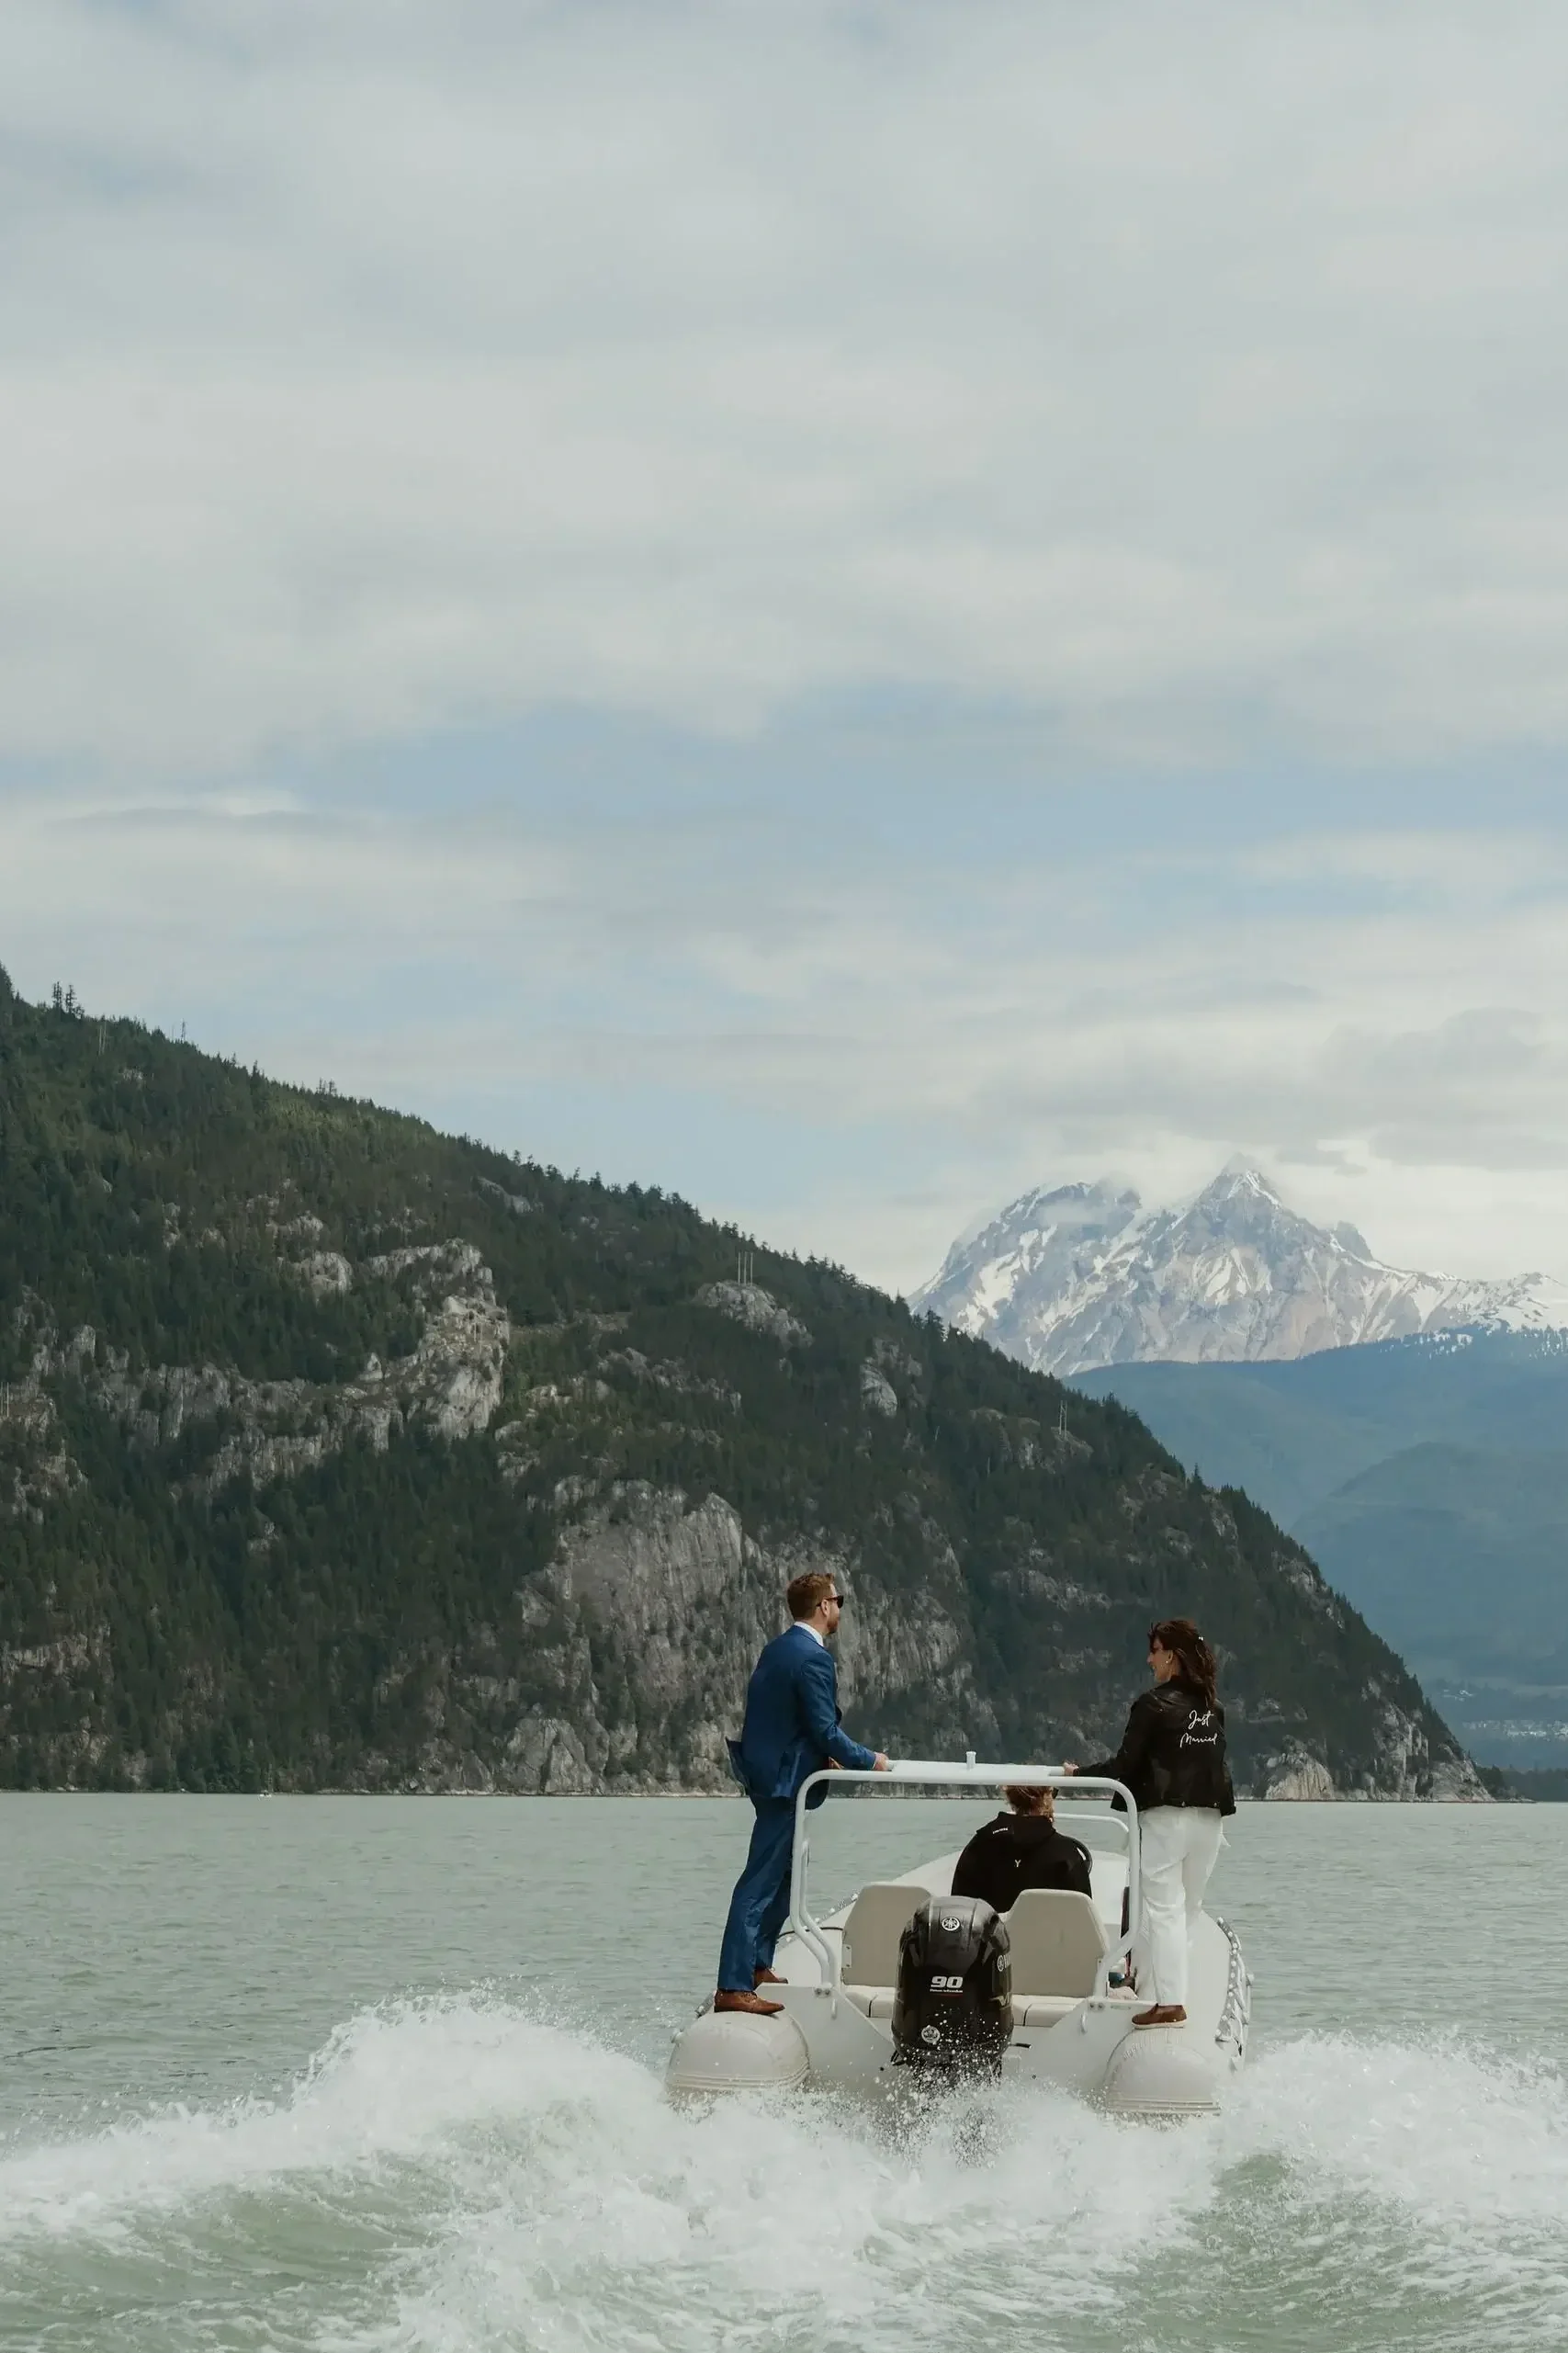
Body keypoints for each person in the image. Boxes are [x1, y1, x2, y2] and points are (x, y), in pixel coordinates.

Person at [715, 1571, 890, 2016]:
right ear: (823, 1606)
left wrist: (818, 1757)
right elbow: (823, 1729)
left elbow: (784, 1722)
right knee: (757, 1884)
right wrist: (870, 1761)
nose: (840, 1609)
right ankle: (733, 1985)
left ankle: (758, 1965)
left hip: (772, 1774)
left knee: (784, 1876)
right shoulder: (813, 1658)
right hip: (783, 1783)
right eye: (838, 1601)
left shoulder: (776, 1650)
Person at [1066, 1617, 1235, 2030]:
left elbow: (1125, 1765)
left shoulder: (1152, 1705)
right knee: (1187, 1911)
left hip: (1166, 1820)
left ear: (1171, 1657)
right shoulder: (1213, 1709)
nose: (1149, 1660)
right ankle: (1169, 1991)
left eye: (1155, 1651)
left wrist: (1077, 1775)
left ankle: (1170, 2002)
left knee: (1162, 1911)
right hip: (1210, 1823)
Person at [951, 1783, 1093, 1914]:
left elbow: (958, 1907)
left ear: (1010, 1798)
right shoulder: (1066, 1853)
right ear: (1047, 1797)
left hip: (990, 1940)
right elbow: (1083, 1918)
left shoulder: (979, 1844)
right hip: (1048, 1940)